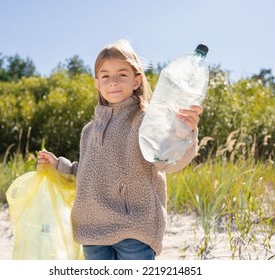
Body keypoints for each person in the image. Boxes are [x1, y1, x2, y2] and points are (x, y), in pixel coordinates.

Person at [37, 39, 202, 260]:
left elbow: (166, 162)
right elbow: (87, 175)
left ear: (137, 81)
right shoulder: (89, 131)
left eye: (122, 74)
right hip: (92, 231)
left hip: (134, 229)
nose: (113, 81)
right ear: (97, 83)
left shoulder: (146, 120)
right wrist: (59, 165)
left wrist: (184, 134)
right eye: (105, 76)